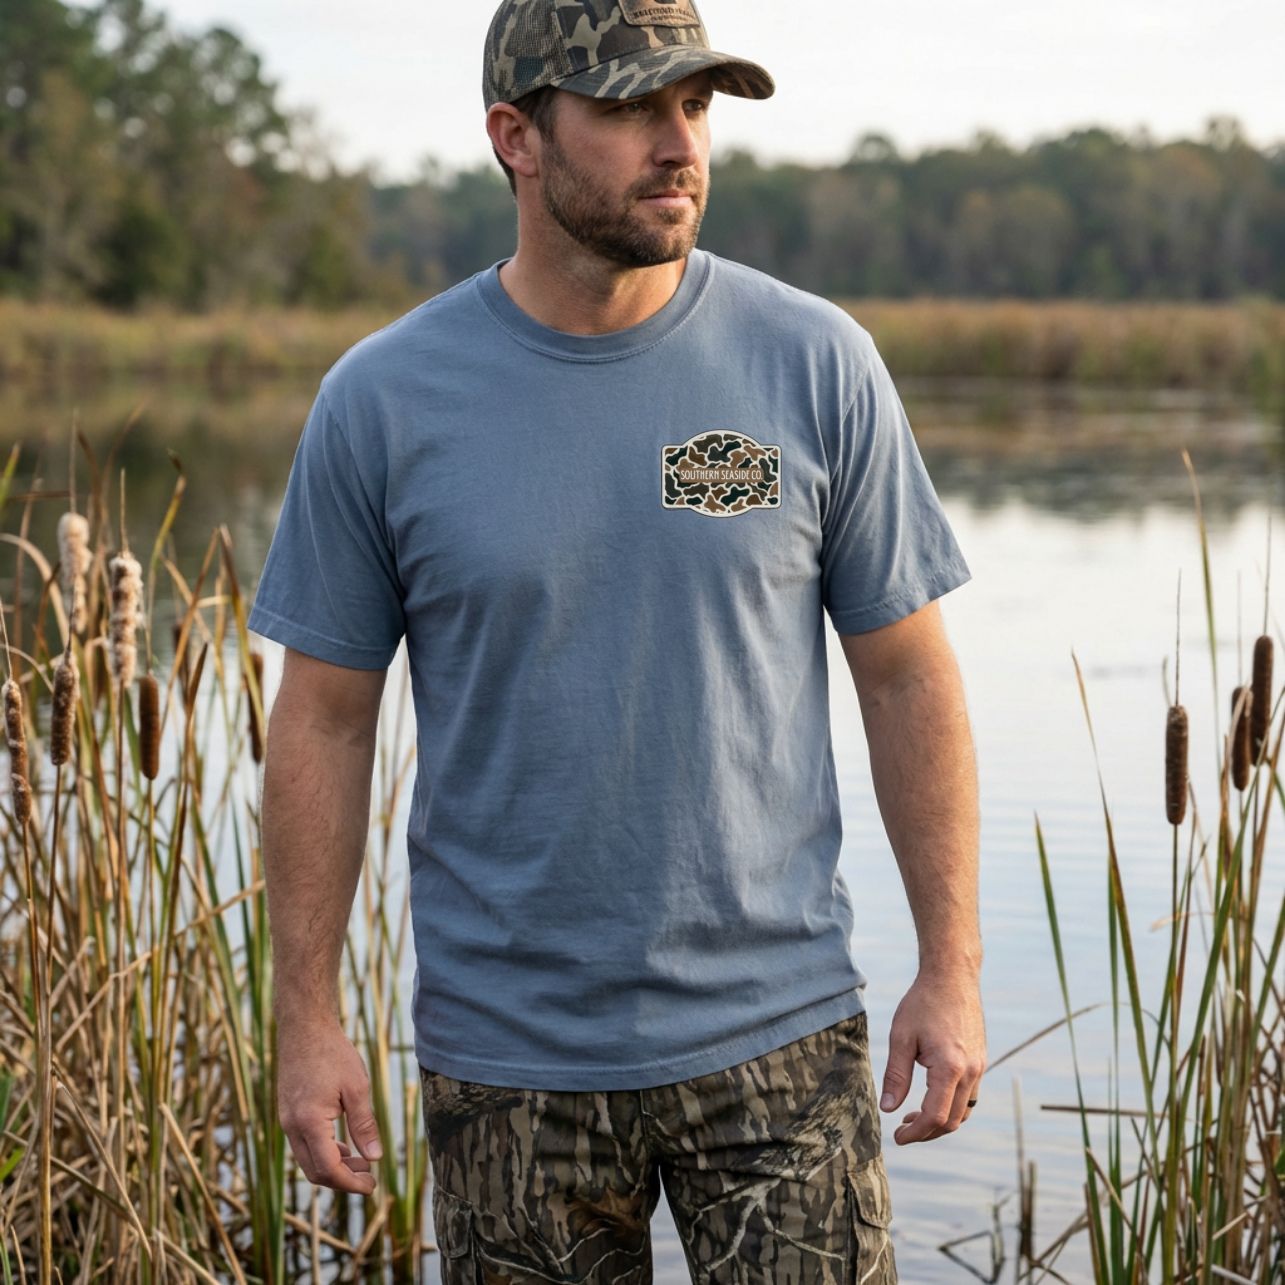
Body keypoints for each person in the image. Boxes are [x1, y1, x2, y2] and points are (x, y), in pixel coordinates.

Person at [247, 1, 985, 1280]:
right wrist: (304, 1015)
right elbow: (324, 716)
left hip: (781, 1038)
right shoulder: (381, 400)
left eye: (692, 106)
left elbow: (907, 673)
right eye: (633, 107)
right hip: (508, 1062)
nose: (679, 142)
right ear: (514, 137)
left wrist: (951, 965)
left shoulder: (816, 362)